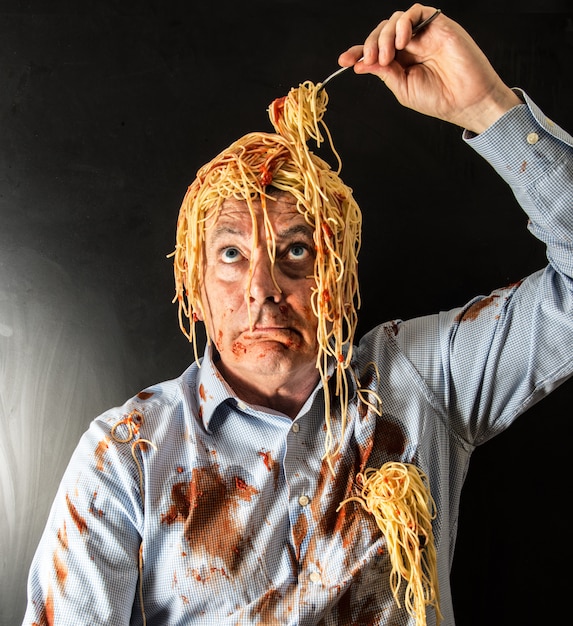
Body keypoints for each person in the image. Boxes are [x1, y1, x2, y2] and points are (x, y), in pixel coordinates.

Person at [22, 4, 573, 625]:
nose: (263, 288)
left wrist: (486, 107)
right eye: (231, 254)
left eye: (297, 251)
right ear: (193, 285)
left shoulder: (420, 384)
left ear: (336, 276)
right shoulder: (126, 457)